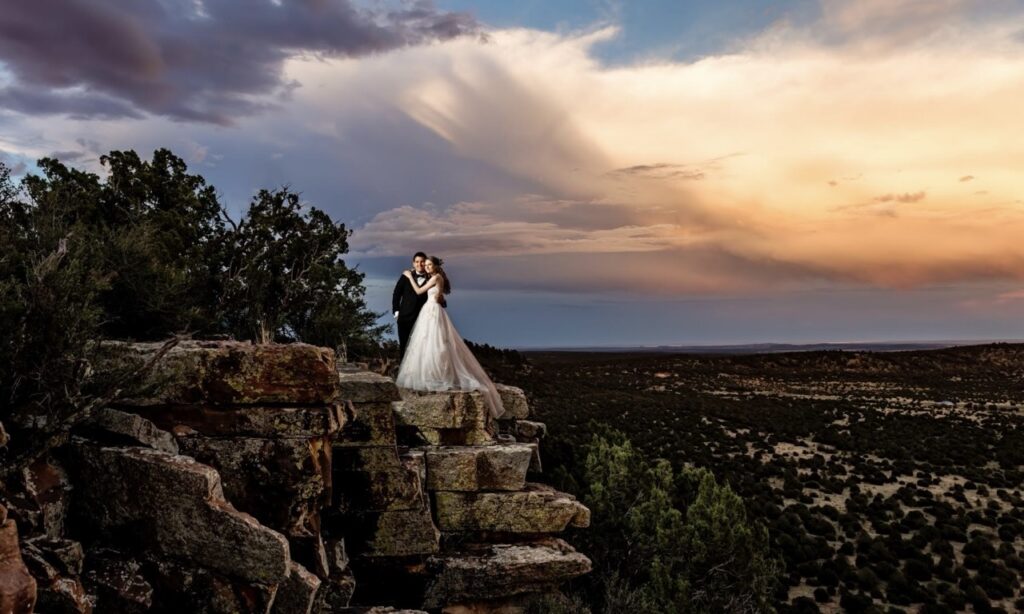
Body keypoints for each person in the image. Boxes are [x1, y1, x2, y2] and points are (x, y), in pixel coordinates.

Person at [395, 256, 505, 422]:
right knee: (427, 343)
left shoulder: (436, 277)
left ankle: (436, 375)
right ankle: (429, 373)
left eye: (429, 265)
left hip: (432, 311)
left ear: (436, 266)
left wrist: (409, 277)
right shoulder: (436, 278)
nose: (427, 267)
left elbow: (419, 291)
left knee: (435, 342)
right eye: (426, 265)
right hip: (430, 310)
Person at [392, 252, 429, 359]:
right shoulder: (406, 276)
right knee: (404, 346)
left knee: (420, 348)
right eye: (417, 262)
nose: (419, 264)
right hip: (405, 318)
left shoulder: (430, 277)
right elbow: (396, 293)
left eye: (422, 262)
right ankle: (402, 374)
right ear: (413, 263)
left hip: (422, 319)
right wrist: (396, 312)